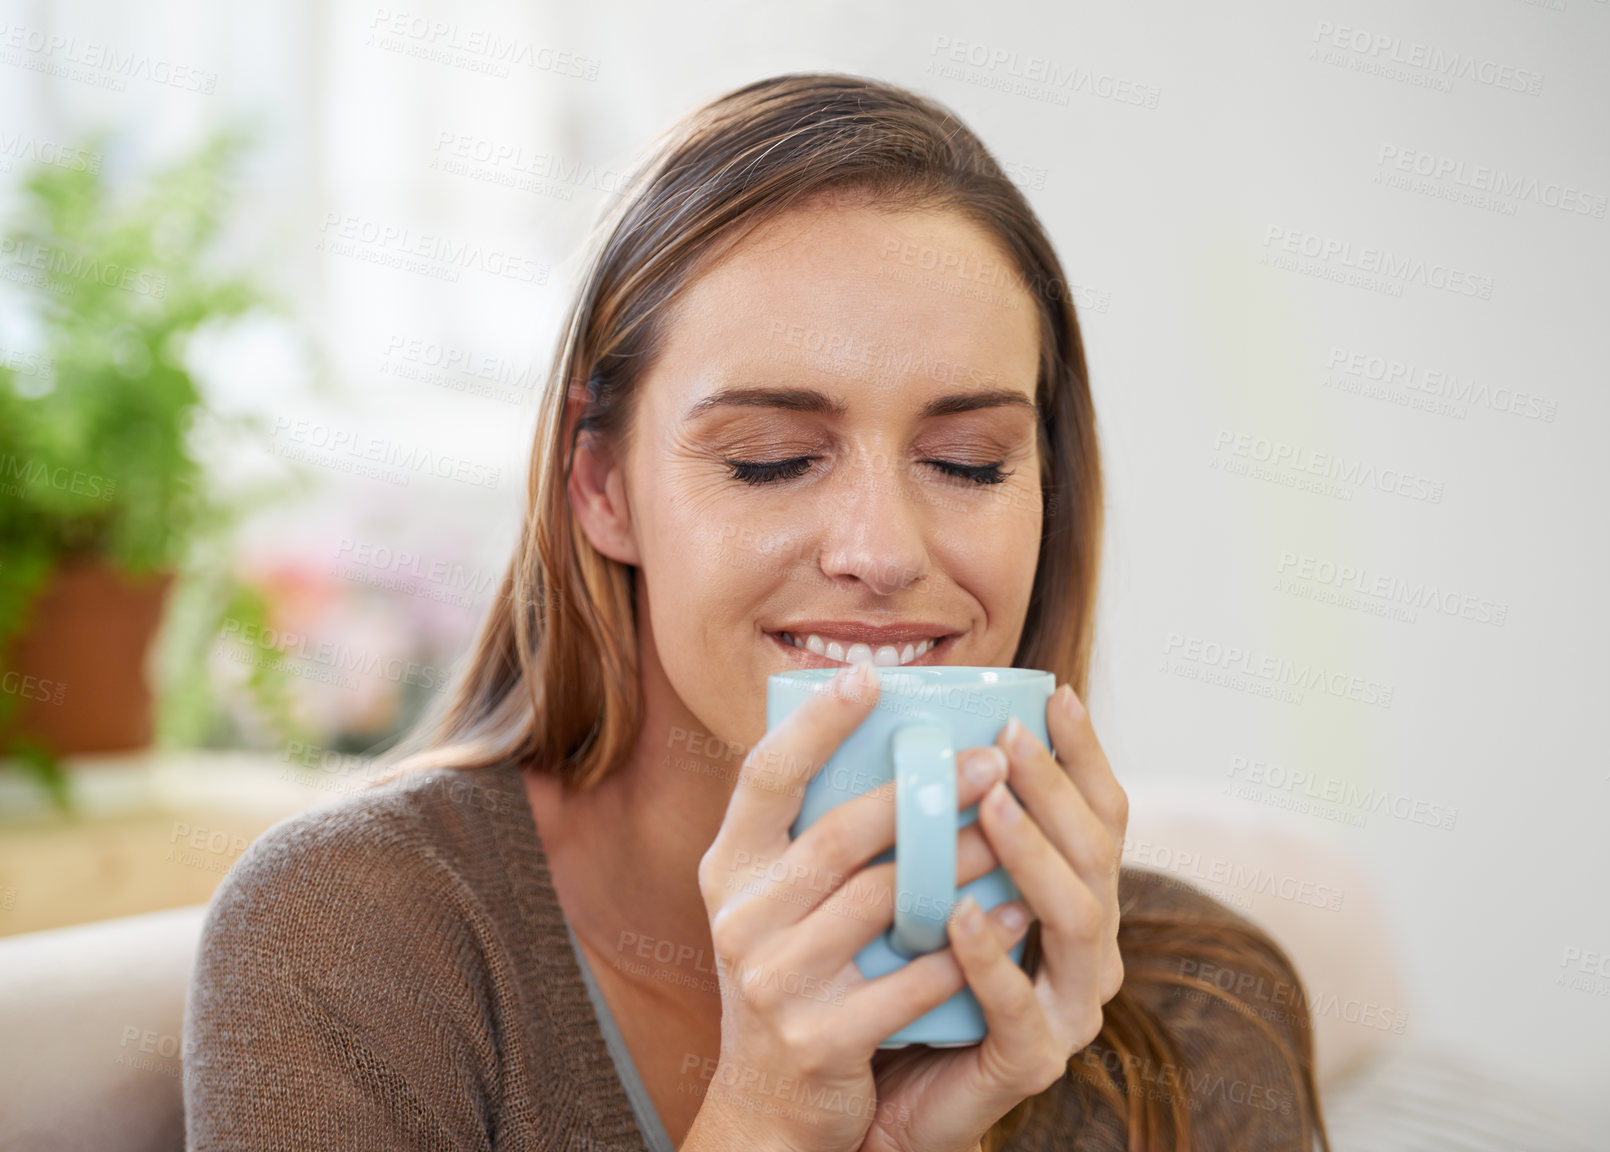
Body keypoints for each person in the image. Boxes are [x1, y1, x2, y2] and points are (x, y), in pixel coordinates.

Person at [184, 73, 1328, 1151]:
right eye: (774, 459)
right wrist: (768, 1121)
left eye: (971, 463)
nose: (881, 553)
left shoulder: (1201, 1011)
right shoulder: (360, 939)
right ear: (602, 486)